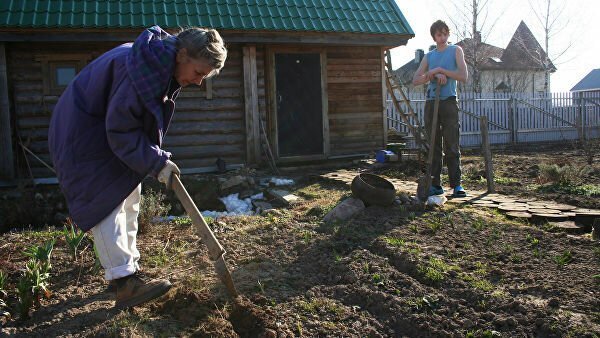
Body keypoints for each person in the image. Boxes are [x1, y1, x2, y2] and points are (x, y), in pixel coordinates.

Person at [48, 26, 227, 308]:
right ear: (182, 54)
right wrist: (156, 162)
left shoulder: (155, 63)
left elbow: (131, 122)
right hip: (82, 136)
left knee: (130, 194)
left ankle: (129, 272)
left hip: (101, 130)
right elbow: (120, 131)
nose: (198, 82)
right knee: (108, 202)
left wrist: (156, 159)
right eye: (199, 73)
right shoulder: (142, 70)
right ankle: (123, 283)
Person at [412, 20, 468, 197]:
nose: (442, 37)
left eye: (445, 34)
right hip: (431, 102)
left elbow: (463, 76)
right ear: (434, 36)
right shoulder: (429, 56)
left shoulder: (456, 51)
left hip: (449, 101)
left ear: (448, 34)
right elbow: (415, 80)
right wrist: (433, 74)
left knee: (452, 143)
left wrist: (442, 70)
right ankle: (435, 184)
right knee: (434, 144)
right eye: (438, 34)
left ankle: (456, 185)